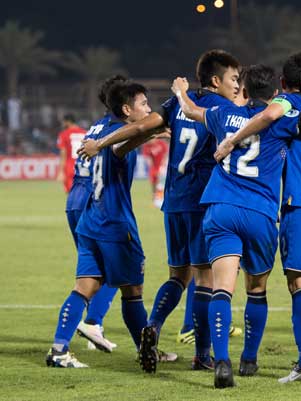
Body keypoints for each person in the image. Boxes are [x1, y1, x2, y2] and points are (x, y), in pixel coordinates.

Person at [172, 62, 301, 387]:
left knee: (222, 288)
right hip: (260, 213)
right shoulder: (283, 120)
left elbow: (191, 111)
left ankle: (222, 362)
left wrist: (180, 92)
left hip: (221, 207)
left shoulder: (223, 114)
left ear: (245, 91)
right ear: (275, 92)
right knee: (257, 288)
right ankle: (249, 359)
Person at [78, 50, 243, 374]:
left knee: (177, 276)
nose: (237, 86)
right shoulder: (223, 109)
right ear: (215, 80)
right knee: (205, 280)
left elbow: (142, 126)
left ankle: (151, 327)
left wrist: (104, 143)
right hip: (201, 203)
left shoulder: (175, 105)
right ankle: (202, 354)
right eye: (234, 79)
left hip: (174, 202)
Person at [47, 81, 170, 368]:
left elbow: (133, 137)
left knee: (84, 287)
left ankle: (59, 350)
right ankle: (146, 350)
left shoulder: (99, 131)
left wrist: (154, 132)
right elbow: (132, 136)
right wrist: (159, 125)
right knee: (133, 291)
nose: (148, 109)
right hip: (115, 225)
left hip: (90, 221)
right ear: (126, 109)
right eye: (143, 104)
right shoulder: (115, 136)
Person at [67, 75, 128, 353]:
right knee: (114, 269)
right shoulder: (117, 129)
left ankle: (85, 330)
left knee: (93, 271)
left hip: (75, 198)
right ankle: (93, 322)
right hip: (95, 200)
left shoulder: (95, 126)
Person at [56, 114, 87, 193]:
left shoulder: (64, 134)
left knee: (72, 194)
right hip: (84, 166)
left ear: (68, 122)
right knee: (83, 193)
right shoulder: (85, 133)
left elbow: (63, 154)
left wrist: (61, 171)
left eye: (63, 122)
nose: (62, 124)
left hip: (70, 168)